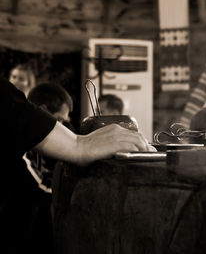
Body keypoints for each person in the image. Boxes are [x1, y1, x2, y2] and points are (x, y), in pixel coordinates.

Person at [0, 79, 154, 253]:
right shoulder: (22, 144)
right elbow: (37, 188)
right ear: (42, 112)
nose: (63, 125)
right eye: (58, 120)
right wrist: (77, 147)